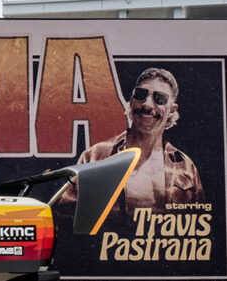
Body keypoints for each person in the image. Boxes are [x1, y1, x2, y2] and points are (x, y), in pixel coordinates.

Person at [72, 67, 203, 213]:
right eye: (141, 94)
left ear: (172, 110)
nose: (147, 104)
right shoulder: (95, 156)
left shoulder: (184, 165)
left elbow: (198, 222)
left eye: (159, 99)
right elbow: (67, 217)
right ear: (132, 100)